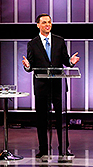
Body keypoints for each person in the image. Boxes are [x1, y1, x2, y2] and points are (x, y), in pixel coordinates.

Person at [22, 14, 80, 158]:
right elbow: (30, 64)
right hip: (42, 86)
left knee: (61, 119)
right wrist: (28, 67)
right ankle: (43, 150)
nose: (47, 25)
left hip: (58, 86)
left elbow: (65, 61)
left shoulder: (59, 41)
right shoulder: (32, 43)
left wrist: (71, 62)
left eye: (49, 22)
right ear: (38, 25)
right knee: (42, 120)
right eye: (44, 22)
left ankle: (63, 149)